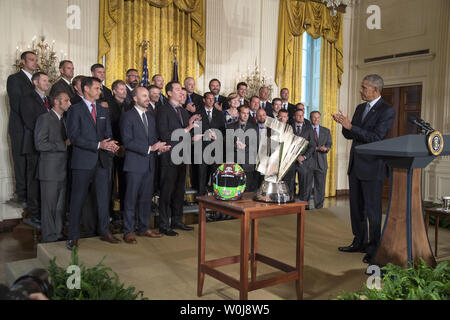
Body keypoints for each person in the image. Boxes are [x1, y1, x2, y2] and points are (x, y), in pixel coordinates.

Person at [332, 74, 395, 265]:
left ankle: (374, 248)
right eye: (361, 87)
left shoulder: (387, 110)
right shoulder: (360, 108)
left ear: (376, 90)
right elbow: (351, 134)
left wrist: (352, 126)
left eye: (364, 87)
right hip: (356, 165)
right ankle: (359, 241)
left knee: (373, 211)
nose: (361, 90)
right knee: (356, 208)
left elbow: (376, 137)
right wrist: (344, 125)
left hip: (373, 167)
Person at [65, 77, 120, 250]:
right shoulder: (75, 110)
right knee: (77, 199)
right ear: (86, 89)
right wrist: (98, 145)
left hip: (102, 161)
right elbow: (74, 137)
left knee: (103, 199)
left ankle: (104, 231)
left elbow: (108, 132)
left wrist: (110, 144)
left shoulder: (103, 110)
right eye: (96, 88)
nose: (100, 91)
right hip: (82, 161)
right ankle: (73, 236)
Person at [120, 87, 170, 244]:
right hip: (134, 164)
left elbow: (153, 138)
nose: (148, 98)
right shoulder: (127, 117)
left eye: (148, 96)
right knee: (130, 199)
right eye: (144, 96)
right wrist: (150, 149)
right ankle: (128, 231)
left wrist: (159, 147)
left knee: (146, 199)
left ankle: (144, 227)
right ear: (135, 98)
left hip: (149, 164)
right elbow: (127, 141)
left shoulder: (150, 115)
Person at [156, 81, 201, 236]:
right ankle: (163, 224)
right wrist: (187, 129)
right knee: (167, 191)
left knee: (179, 191)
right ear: (169, 93)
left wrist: (195, 137)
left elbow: (185, 135)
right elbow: (164, 135)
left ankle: (177, 220)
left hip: (183, 156)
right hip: (169, 156)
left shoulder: (182, 111)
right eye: (177, 89)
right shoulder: (163, 110)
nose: (181, 92)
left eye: (181, 90)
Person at [34, 91, 71, 242]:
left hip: (62, 170)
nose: (69, 103)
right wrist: (63, 145)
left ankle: (57, 233)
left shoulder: (64, 120)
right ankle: (49, 236)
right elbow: (40, 144)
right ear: (56, 102)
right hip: (49, 171)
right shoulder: (45, 119)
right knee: (49, 206)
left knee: (59, 206)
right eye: (66, 101)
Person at [19, 72, 52, 224]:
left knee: (44, 179)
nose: (47, 83)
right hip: (33, 145)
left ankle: (44, 212)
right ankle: (33, 214)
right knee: (33, 180)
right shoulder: (27, 98)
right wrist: (46, 136)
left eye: (48, 80)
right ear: (35, 82)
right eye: (44, 80)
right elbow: (29, 121)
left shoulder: (49, 100)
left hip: (47, 147)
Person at [7, 51, 38, 205]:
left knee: (32, 163)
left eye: (36, 60)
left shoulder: (37, 80)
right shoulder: (14, 79)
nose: (35, 63)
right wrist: (33, 123)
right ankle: (22, 195)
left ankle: (32, 196)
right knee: (21, 162)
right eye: (31, 60)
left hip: (33, 128)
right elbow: (17, 105)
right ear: (23, 62)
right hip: (20, 127)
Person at [194, 92, 226, 196]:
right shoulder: (197, 113)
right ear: (204, 100)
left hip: (215, 149)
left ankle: (215, 198)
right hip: (201, 148)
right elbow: (195, 129)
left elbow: (223, 130)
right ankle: (200, 198)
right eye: (209, 99)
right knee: (201, 174)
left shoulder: (219, 113)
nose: (211, 101)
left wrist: (218, 136)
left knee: (215, 173)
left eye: (213, 99)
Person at [228, 105, 259, 192]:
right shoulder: (230, 126)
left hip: (248, 164)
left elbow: (256, 145)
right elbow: (225, 144)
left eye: (247, 113)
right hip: (234, 162)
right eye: (243, 113)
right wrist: (235, 146)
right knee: (233, 188)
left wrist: (244, 148)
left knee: (247, 190)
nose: (246, 115)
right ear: (238, 113)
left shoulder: (254, 128)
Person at [292, 109, 316, 206]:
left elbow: (312, 146)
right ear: (294, 117)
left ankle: (304, 207)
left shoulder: (309, 129)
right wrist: (296, 156)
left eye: (302, 115)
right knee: (290, 186)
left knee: (304, 186)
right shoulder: (289, 128)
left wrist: (304, 157)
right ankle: (291, 206)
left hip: (305, 163)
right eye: (298, 115)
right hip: (292, 162)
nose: (301, 117)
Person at [310, 111, 332, 209]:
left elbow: (329, 143)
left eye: (318, 117)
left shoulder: (326, 131)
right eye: (314, 117)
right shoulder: (306, 130)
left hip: (321, 162)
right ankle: (305, 207)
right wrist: (316, 148)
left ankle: (319, 207)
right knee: (306, 186)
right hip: (308, 162)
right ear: (310, 118)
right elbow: (304, 145)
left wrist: (326, 148)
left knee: (320, 186)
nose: (316, 119)